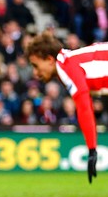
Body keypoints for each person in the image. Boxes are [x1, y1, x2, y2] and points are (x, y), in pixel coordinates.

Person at [25, 32, 108, 184]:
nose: (36, 73)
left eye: (36, 66)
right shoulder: (70, 60)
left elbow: (84, 106)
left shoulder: (66, 66)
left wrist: (92, 149)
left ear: (50, 60)